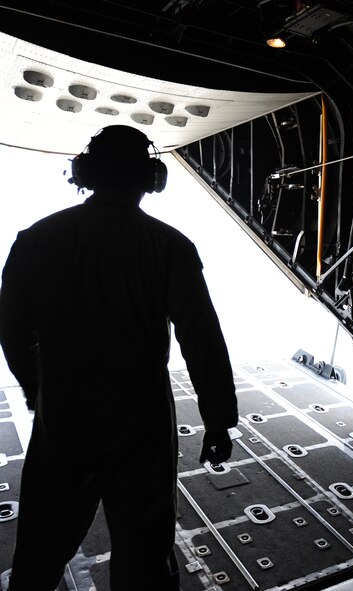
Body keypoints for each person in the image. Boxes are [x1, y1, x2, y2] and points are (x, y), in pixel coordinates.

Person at [0, 125, 238, 590]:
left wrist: (37, 391)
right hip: (142, 423)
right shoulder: (170, 246)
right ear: (151, 178)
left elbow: (11, 330)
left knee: (39, 552)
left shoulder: (35, 240)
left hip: (64, 417)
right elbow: (201, 339)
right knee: (144, 558)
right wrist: (218, 419)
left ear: (84, 173)